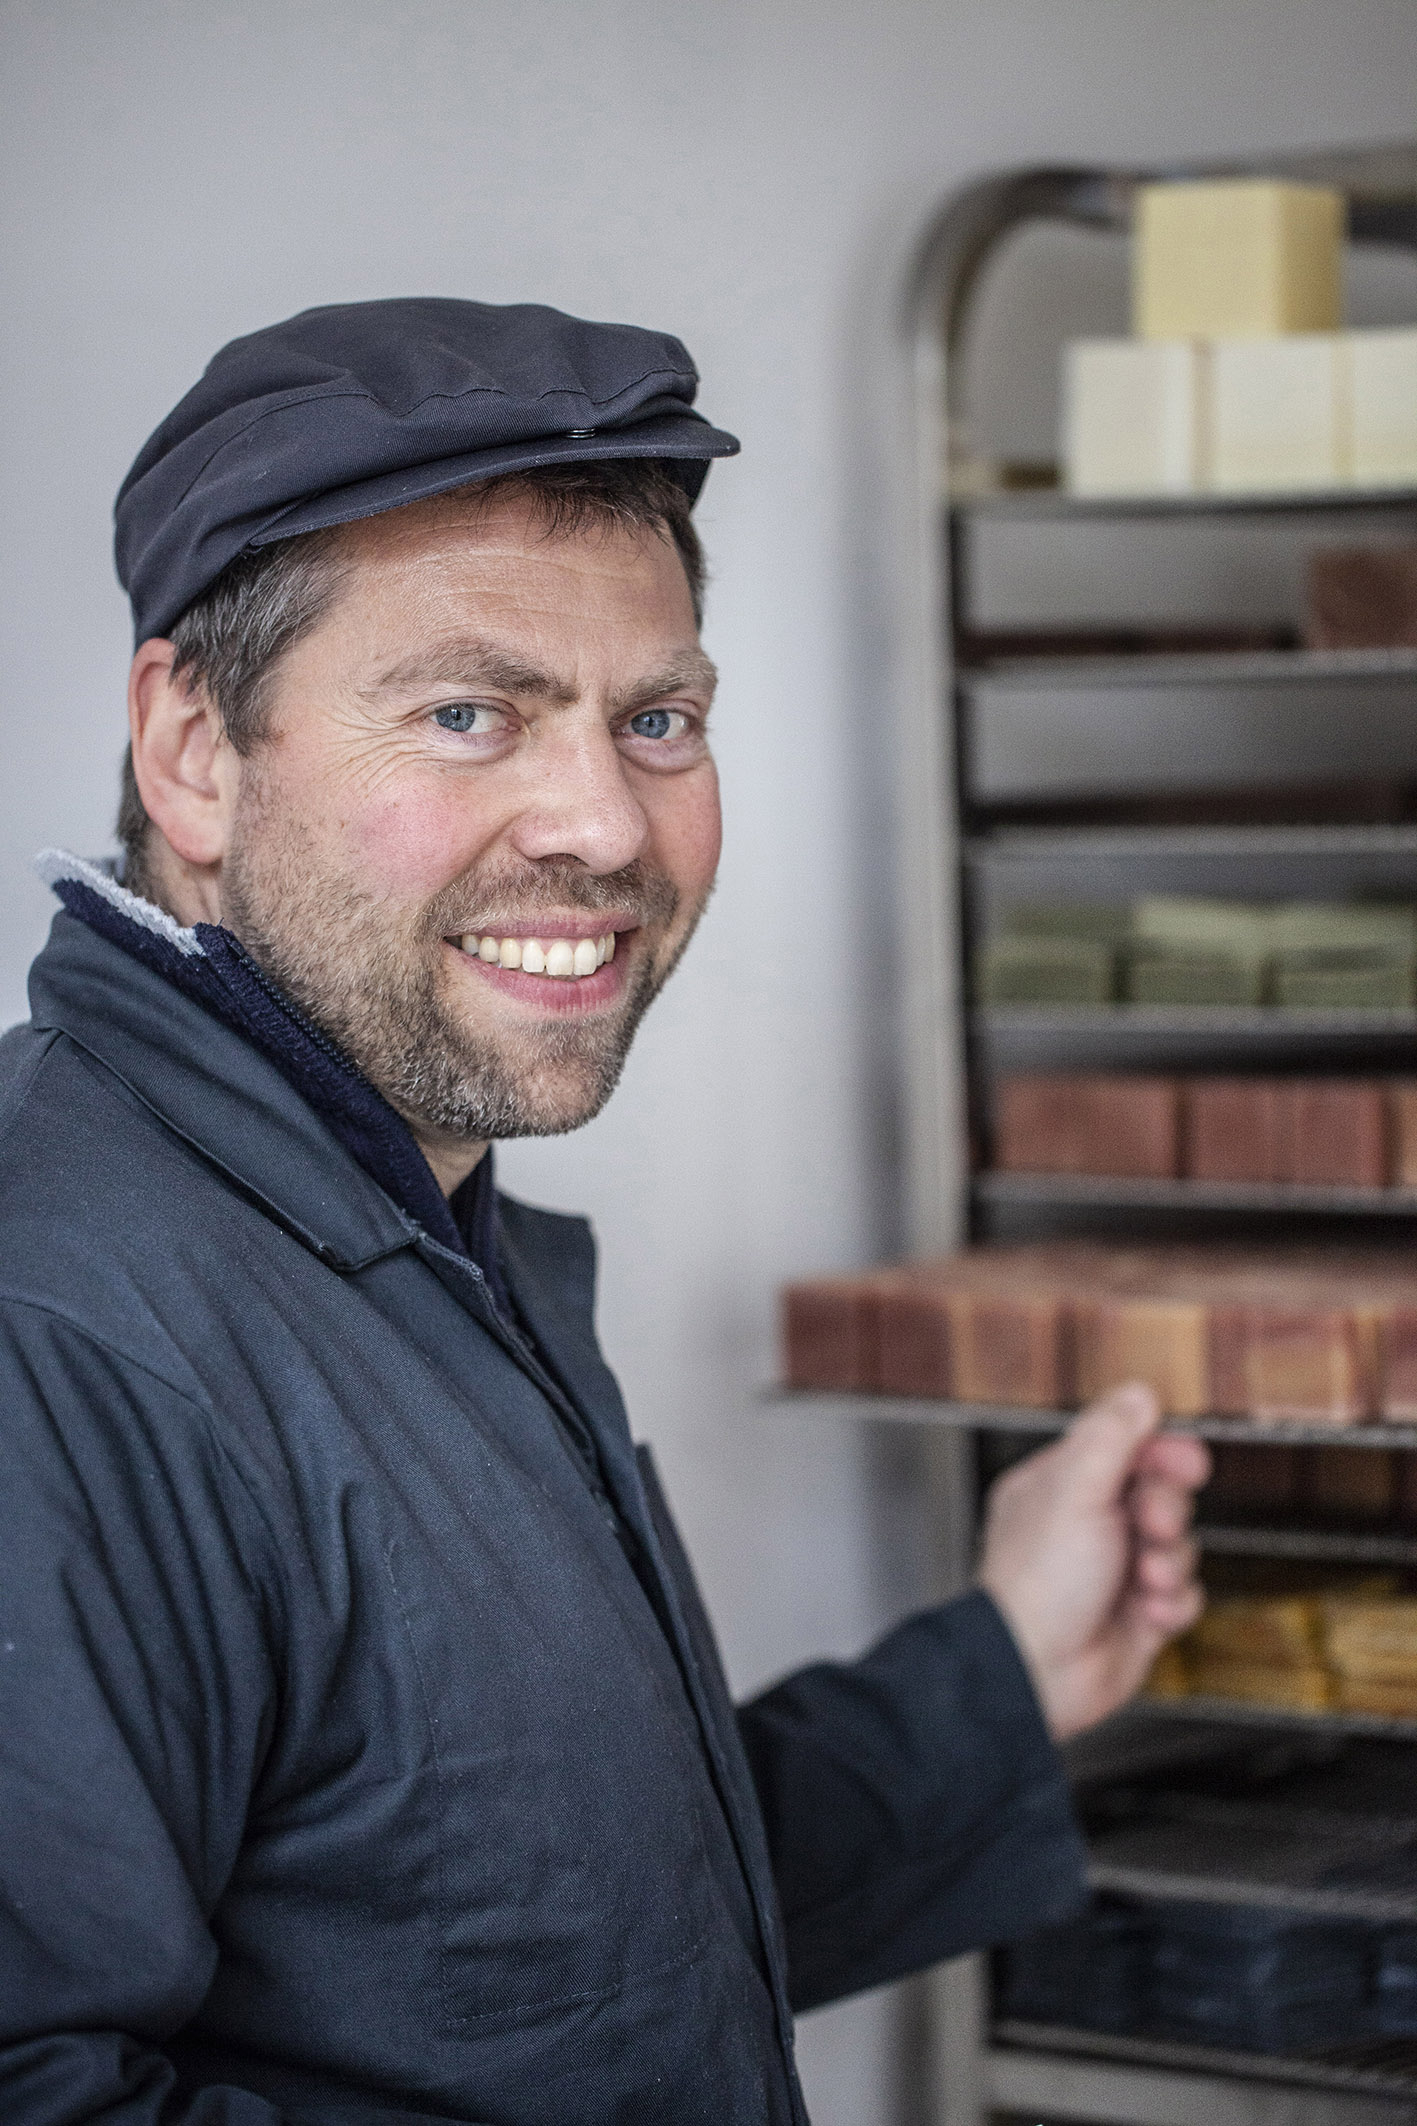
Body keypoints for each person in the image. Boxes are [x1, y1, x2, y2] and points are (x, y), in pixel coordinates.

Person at [0, 298, 1207, 2124]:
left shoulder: (408, 1219)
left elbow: (527, 1942)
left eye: (656, 717)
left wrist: (1000, 1675)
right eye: (468, 712)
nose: (601, 822)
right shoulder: (58, 1325)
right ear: (192, 748)